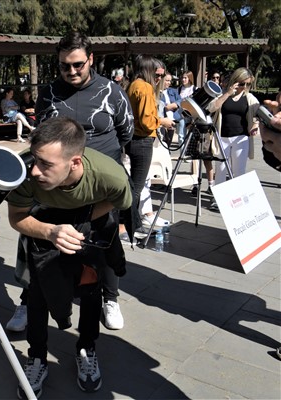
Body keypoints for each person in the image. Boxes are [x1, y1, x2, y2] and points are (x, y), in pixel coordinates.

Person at [7, 116, 132, 397]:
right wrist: (50, 231)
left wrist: (83, 219)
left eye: (46, 164)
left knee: (90, 293)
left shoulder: (109, 174)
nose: (36, 171)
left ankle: (86, 349)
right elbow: (16, 218)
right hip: (44, 224)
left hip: (89, 221)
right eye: (35, 160)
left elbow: (120, 201)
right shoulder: (27, 172)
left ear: (75, 162)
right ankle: (37, 357)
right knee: (37, 296)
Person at [29, 31, 134, 332]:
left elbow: (128, 134)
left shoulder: (112, 92)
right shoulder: (48, 93)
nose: (72, 71)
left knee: (104, 239)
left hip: (101, 187)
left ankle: (110, 298)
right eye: (65, 66)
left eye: (78, 64)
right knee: (42, 244)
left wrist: (128, 183)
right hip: (58, 188)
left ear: (91, 59)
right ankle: (31, 298)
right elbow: (41, 137)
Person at [125, 55, 175, 237]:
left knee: (134, 186)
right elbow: (147, 122)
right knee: (136, 188)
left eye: (162, 75)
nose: (160, 79)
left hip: (133, 140)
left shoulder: (133, 85)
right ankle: (127, 227)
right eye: (158, 75)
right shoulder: (145, 87)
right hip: (142, 140)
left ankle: (135, 225)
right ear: (148, 71)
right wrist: (162, 121)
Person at [206, 67, 260, 210]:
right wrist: (228, 93)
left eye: (248, 84)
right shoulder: (224, 94)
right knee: (221, 169)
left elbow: (258, 113)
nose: (245, 87)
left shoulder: (249, 97)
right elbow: (212, 107)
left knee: (239, 171)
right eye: (242, 83)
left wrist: (255, 125)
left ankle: (237, 200)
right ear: (235, 81)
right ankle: (218, 200)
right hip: (222, 136)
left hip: (241, 137)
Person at [160, 72, 183, 146]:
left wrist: (175, 104)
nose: (169, 83)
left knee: (168, 141)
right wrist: (166, 107)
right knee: (163, 140)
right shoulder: (157, 92)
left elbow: (181, 100)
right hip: (163, 118)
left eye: (170, 81)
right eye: (167, 80)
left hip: (172, 118)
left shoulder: (173, 91)